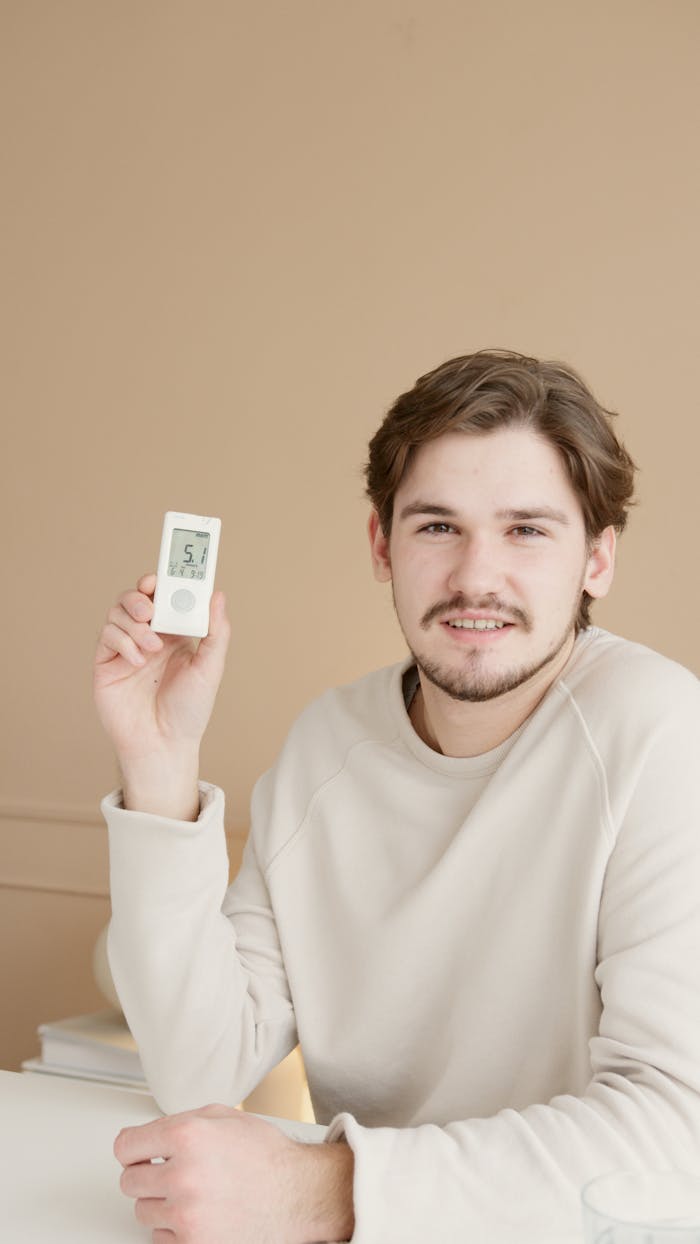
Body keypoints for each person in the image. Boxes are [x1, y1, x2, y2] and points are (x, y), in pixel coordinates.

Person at [95, 350, 700, 1244]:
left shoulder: (662, 731)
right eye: (436, 527)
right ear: (382, 545)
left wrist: (330, 1190)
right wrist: (160, 761)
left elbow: (674, 1135)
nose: (474, 578)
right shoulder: (326, 745)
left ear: (597, 558)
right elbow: (199, 1066)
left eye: (527, 530)